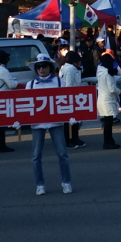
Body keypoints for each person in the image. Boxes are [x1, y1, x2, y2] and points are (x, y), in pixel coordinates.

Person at [28, 54, 73, 195]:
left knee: (62, 154)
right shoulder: (30, 85)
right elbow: (25, 105)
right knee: (36, 156)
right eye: (38, 67)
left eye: (44, 66)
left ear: (50, 67)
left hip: (56, 122)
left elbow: (68, 100)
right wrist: (20, 121)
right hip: (37, 124)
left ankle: (66, 182)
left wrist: (72, 116)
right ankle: (39, 184)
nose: (41, 69)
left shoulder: (60, 82)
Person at [59, 51, 86, 148]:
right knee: (71, 120)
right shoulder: (70, 69)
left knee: (74, 119)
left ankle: (74, 137)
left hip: (68, 96)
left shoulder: (64, 67)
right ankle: (69, 139)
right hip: (71, 96)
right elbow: (69, 85)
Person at [96, 53, 121, 150]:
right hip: (108, 100)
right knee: (109, 123)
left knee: (107, 123)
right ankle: (108, 142)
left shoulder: (100, 71)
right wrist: (120, 91)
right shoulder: (108, 74)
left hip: (102, 98)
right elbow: (112, 89)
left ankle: (108, 141)